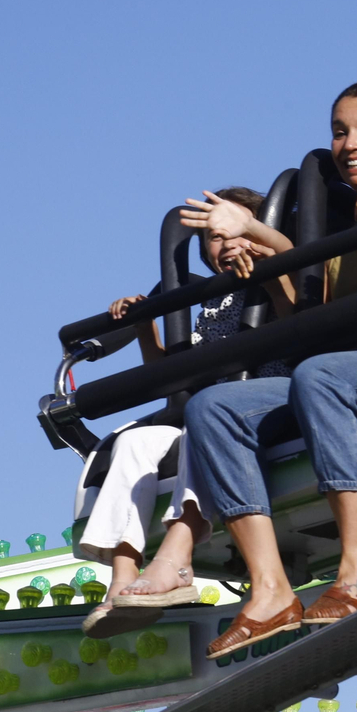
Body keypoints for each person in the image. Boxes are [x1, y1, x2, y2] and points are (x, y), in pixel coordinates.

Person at [169, 82, 357, 659]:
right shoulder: (338, 220)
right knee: (210, 408)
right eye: (340, 132)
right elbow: (312, 316)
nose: (351, 144)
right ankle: (270, 591)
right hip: (342, 363)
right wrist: (264, 256)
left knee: (318, 374)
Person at [78, 186, 288, 637]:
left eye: (230, 230)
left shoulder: (276, 271)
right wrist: (143, 324)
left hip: (264, 402)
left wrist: (267, 266)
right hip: (206, 408)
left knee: (207, 417)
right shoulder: (212, 300)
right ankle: (122, 578)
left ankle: (178, 561)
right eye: (211, 238)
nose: (224, 243)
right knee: (133, 441)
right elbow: (170, 372)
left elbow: (298, 310)